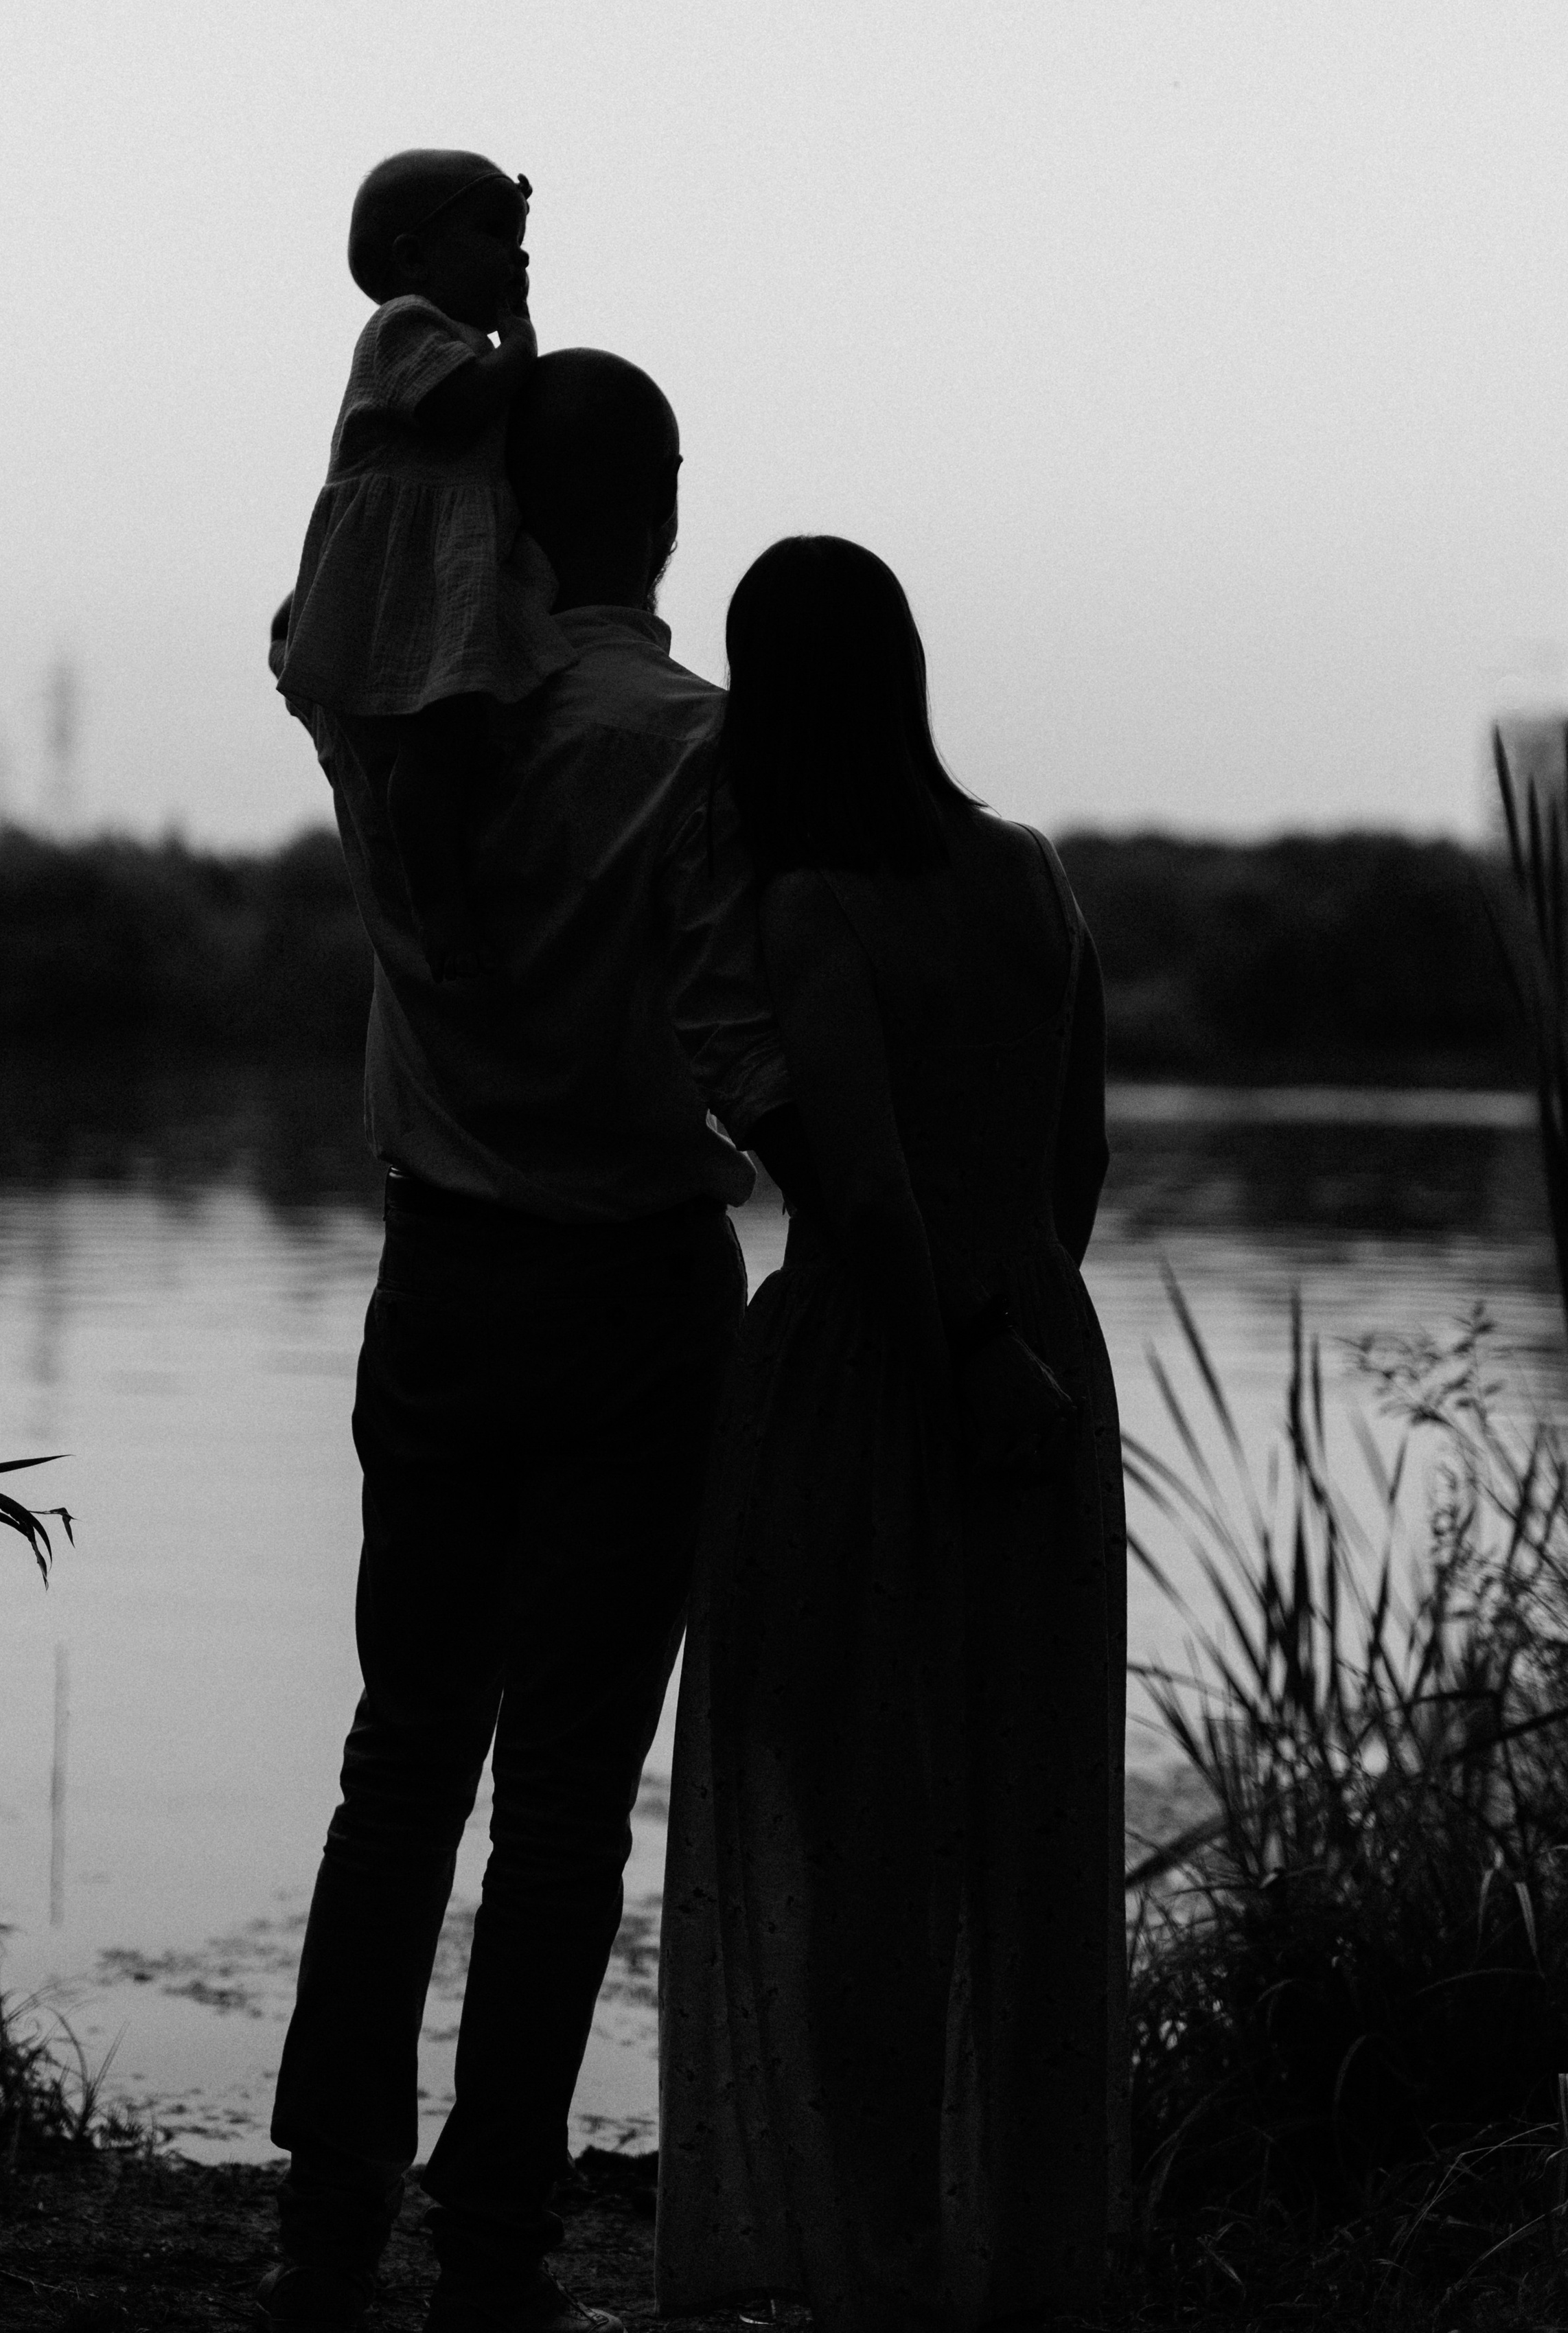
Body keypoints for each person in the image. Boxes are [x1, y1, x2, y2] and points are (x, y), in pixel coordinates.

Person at [260, 352, 791, 2333]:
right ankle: (494, 2252)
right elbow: (748, 1052)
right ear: (658, 500)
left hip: (446, 1288)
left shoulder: (390, 724)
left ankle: (324, 2225)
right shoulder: (697, 744)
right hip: (639, 1301)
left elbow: (324, 614)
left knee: (403, 1761)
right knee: (568, 1794)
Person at [656, 537, 1128, 2333]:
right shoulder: (1033, 873)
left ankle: (880, 2259)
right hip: (1048, 1365)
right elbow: (1076, 1157)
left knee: (855, 1821)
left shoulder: (809, 912)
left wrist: (957, 1353)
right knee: (1027, 1819)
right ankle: (1027, 2251)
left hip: (876, 1377)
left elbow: (853, 1178)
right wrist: (1027, 1328)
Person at [278, 148, 573, 983]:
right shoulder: (405, 328)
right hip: (405, 570)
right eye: (492, 233)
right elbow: (455, 411)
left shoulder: (449, 340)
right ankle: (442, 912)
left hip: (436, 567)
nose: (517, 257)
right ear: (412, 259)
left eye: (522, 240)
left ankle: (448, 882)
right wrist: (519, 347)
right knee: (435, 742)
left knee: (458, 731)